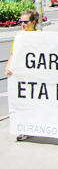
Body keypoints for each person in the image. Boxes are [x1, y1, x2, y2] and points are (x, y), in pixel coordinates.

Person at [5, 10, 39, 141]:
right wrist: (8, 66)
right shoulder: (19, 36)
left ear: (33, 22)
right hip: (23, 77)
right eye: (21, 22)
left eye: (26, 22)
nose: (23, 24)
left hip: (36, 76)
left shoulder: (40, 35)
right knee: (23, 103)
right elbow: (13, 53)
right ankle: (25, 128)